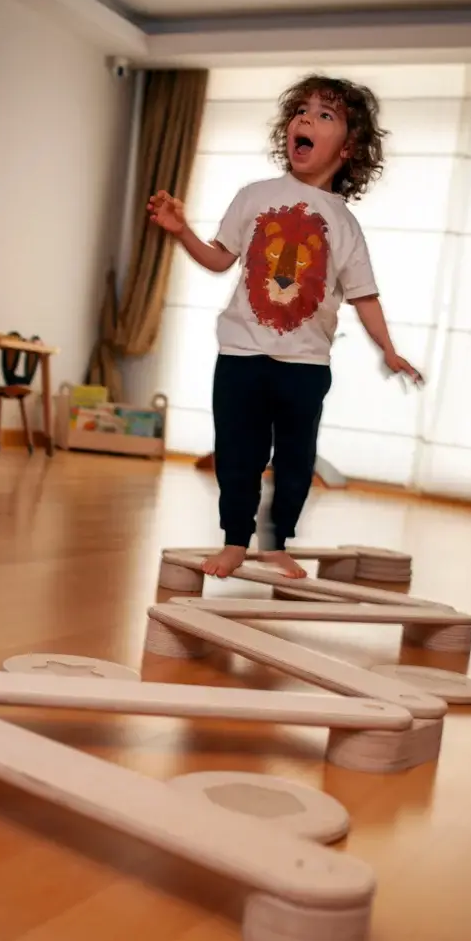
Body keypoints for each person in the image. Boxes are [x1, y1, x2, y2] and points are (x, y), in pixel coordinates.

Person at [148, 74, 423, 580]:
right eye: (301, 110)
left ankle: (276, 544)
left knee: (296, 460)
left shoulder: (344, 224)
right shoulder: (254, 196)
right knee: (237, 454)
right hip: (240, 355)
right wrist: (181, 230)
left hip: (305, 364)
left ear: (349, 146)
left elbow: (364, 295)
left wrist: (389, 349)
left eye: (325, 115)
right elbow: (218, 258)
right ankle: (235, 541)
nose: (306, 119)